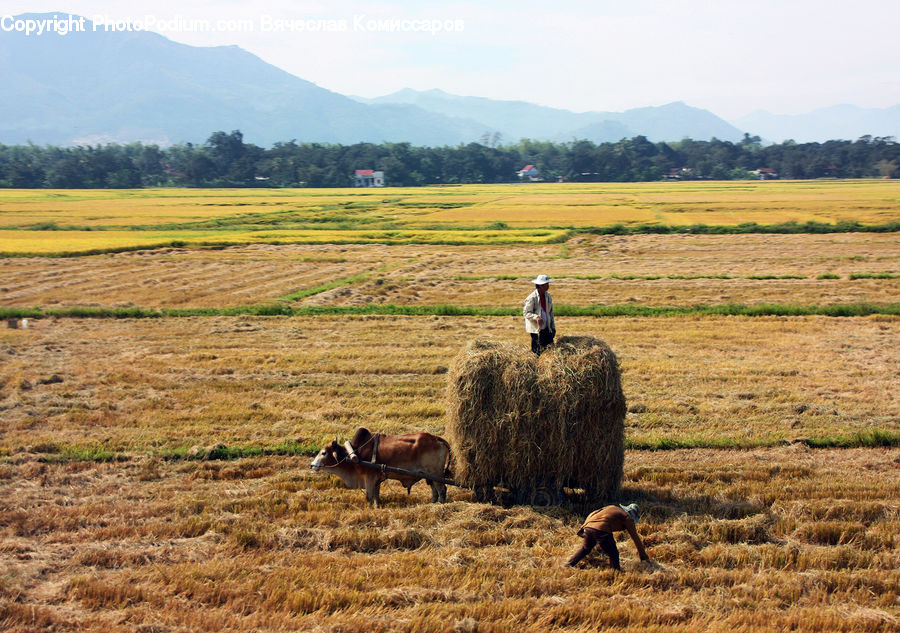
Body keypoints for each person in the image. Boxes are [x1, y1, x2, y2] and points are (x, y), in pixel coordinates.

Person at [566, 503, 650, 570]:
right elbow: (635, 538)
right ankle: (615, 573)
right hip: (601, 530)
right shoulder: (627, 518)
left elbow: (594, 513)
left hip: (588, 527)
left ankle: (568, 565)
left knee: (585, 548)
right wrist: (643, 556)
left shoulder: (612, 508)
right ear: (633, 514)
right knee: (613, 553)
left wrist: (584, 529)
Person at [523, 274, 555, 355]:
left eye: (548, 284)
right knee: (537, 352)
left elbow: (550, 313)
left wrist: (552, 327)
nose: (548, 286)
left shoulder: (548, 296)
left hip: (547, 327)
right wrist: (536, 317)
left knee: (550, 350)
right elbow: (526, 313)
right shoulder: (532, 298)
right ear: (540, 286)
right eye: (546, 284)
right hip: (536, 330)